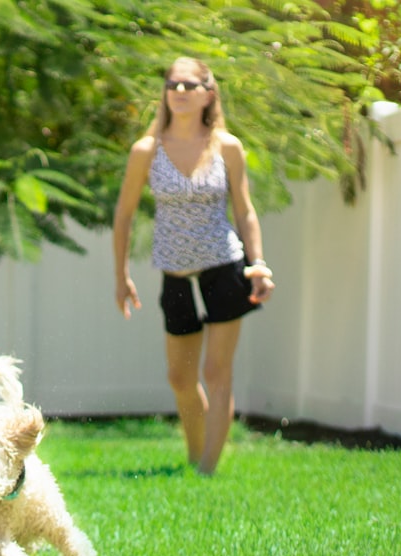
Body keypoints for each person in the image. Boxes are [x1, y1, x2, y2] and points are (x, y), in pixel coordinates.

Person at [111, 57, 277, 476]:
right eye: (173, 85)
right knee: (180, 379)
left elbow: (245, 211)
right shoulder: (146, 151)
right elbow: (125, 215)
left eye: (189, 85)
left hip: (224, 268)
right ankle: (194, 453)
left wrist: (257, 264)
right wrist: (121, 276)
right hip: (175, 274)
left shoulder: (227, 147)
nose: (179, 92)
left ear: (209, 93)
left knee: (217, 372)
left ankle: (207, 469)